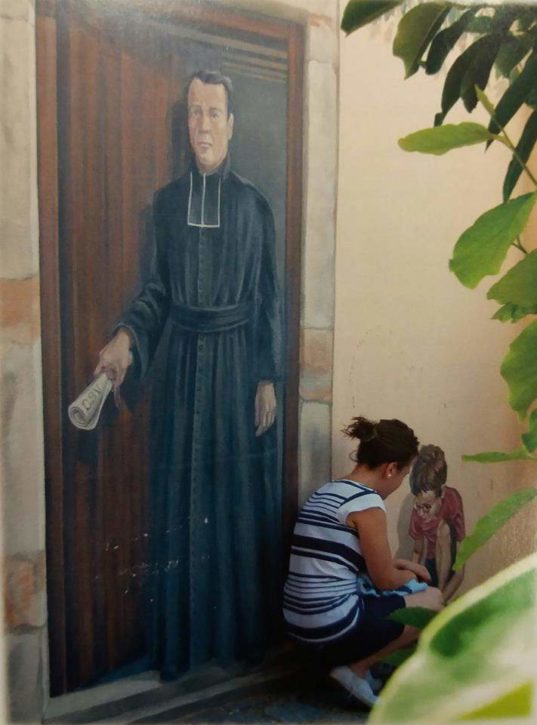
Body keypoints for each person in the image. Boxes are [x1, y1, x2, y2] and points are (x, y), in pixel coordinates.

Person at [95, 70, 282, 679]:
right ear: (187, 122)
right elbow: (154, 292)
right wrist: (126, 338)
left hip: (235, 369)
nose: (203, 124)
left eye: (214, 113)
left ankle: (233, 642)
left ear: (232, 124)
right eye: (195, 112)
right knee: (180, 500)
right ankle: (181, 647)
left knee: (230, 501)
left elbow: (267, 299)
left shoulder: (254, 205)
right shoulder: (167, 204)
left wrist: (265, 378)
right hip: (179, 369)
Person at [283, 416, 443, 707]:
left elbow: (351, 564)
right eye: (404, 475)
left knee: (403, 590)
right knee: (432, 601)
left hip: (299, 625)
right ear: (390, 469)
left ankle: (348, 668)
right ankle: (354, 670)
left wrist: (404, 566)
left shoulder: (328, 491)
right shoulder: (366, 503)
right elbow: (384, 579)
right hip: (333, 627)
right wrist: (412, 578)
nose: (400, 484)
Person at [409, 444, 466, 602]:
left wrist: (440, 599)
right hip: (431, 565)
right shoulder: (418, 511)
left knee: (443, 529)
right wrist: (411, 585)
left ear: (442, 492)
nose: (421, 513)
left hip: (451, 563)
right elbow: (417, 552)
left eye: (427, 507)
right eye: (418, 505)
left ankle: (439, 593)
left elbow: (460, 568)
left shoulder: (453, 500)